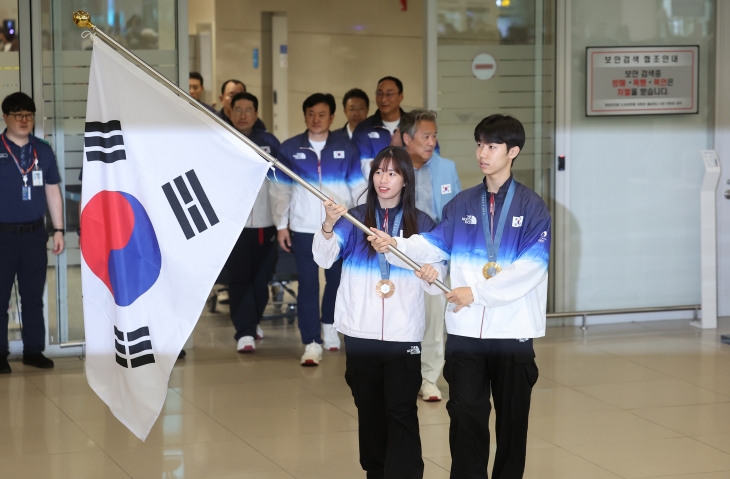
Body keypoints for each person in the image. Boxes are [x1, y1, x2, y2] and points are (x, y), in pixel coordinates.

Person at [369, 114, 550, 479]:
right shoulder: (463, 204)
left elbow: (531, 268)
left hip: (513, 331)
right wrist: (395, 245)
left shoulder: (533, 207)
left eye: (492, 146)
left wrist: (477, 292)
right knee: (466, 414)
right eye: (480, 144)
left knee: (513, 422)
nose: (482, 153)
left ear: (513, 151)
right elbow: (432, 245)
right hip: (465, 332)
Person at [313, 146, 446, 479]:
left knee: (401, 411)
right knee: (370, 412)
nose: (384, 179)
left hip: (403, 336)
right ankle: (375, 472)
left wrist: (434, 273)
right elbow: (324, 257)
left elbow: (436, 275)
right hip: (360, 333)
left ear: (405, 179)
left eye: (392, 172)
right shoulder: (354, 219)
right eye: (378, 172)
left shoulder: (421, 222)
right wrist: (328, 225)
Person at [270, 93, 366, 365]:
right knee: (308, 285)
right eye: (311, 113)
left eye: (322, 114)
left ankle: (330, 327)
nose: (316, 119)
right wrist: (281, 225)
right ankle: (311, 341)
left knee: (337, 282)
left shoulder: (347, 148)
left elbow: (358, 189)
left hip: (340, 229)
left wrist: (362, 223)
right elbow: (281, 191)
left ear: (332, 117)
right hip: (303, 228)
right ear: (304, 116)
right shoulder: (290, 148)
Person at [0, 92, 65, 374]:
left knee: (33, 297)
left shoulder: (43, 150)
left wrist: (59, 228)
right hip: (3, 236)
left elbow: (52, 190)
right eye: (18, 115)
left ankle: (33, 350)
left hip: (35, 235)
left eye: (29, 114)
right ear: (5, 117)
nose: (24, 120)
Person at [400, 109, 461, 402]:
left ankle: (429, 379)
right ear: (406, 138)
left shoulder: (446, 168)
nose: (431, 142)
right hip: (401, 257)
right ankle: (403, 377)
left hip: (436, 257)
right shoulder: (391, 167)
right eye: (426, 136)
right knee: (403, 319)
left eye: (434, 135)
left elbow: (456, 213)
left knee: (435, 321)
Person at [225, 92, 280, 352]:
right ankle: (244, 331)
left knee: (260, 279)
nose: (243, 115)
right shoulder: (221, 139)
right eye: (238, 110)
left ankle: (253, 321)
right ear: (230, 111)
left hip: (265, 224)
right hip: (233, 226)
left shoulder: (268, 142)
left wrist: (282, 221)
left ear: (256, 114)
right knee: (239, 279)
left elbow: (282, 185)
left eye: (249, 110)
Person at [352, 76, 405, 177]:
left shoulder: (413, 126)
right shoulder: (363, 129)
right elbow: (359, 168)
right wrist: (391, 153)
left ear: (401, 96)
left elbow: (428, 160)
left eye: (389, 94)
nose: (383, 99)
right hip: (376, 190)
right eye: (379, 94)